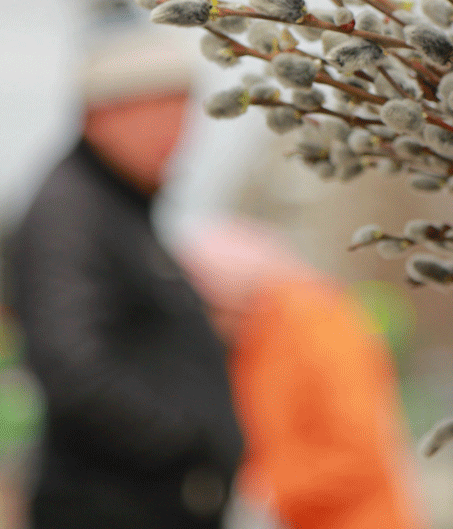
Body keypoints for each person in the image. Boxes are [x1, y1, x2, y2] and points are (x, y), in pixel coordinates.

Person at [5, 30, 242, 528]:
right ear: (104, 114)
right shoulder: (72, 214)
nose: (178, 135)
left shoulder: (116, 208)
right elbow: (74, 368)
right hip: (112, 507)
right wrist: (189, 441)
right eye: (160, 113)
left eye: (183, 115)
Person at [179, 218, 421, 529]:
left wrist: (261, 492)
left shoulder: (317, 327)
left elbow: (356, 452)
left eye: (211, 308)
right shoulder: (255, 339)